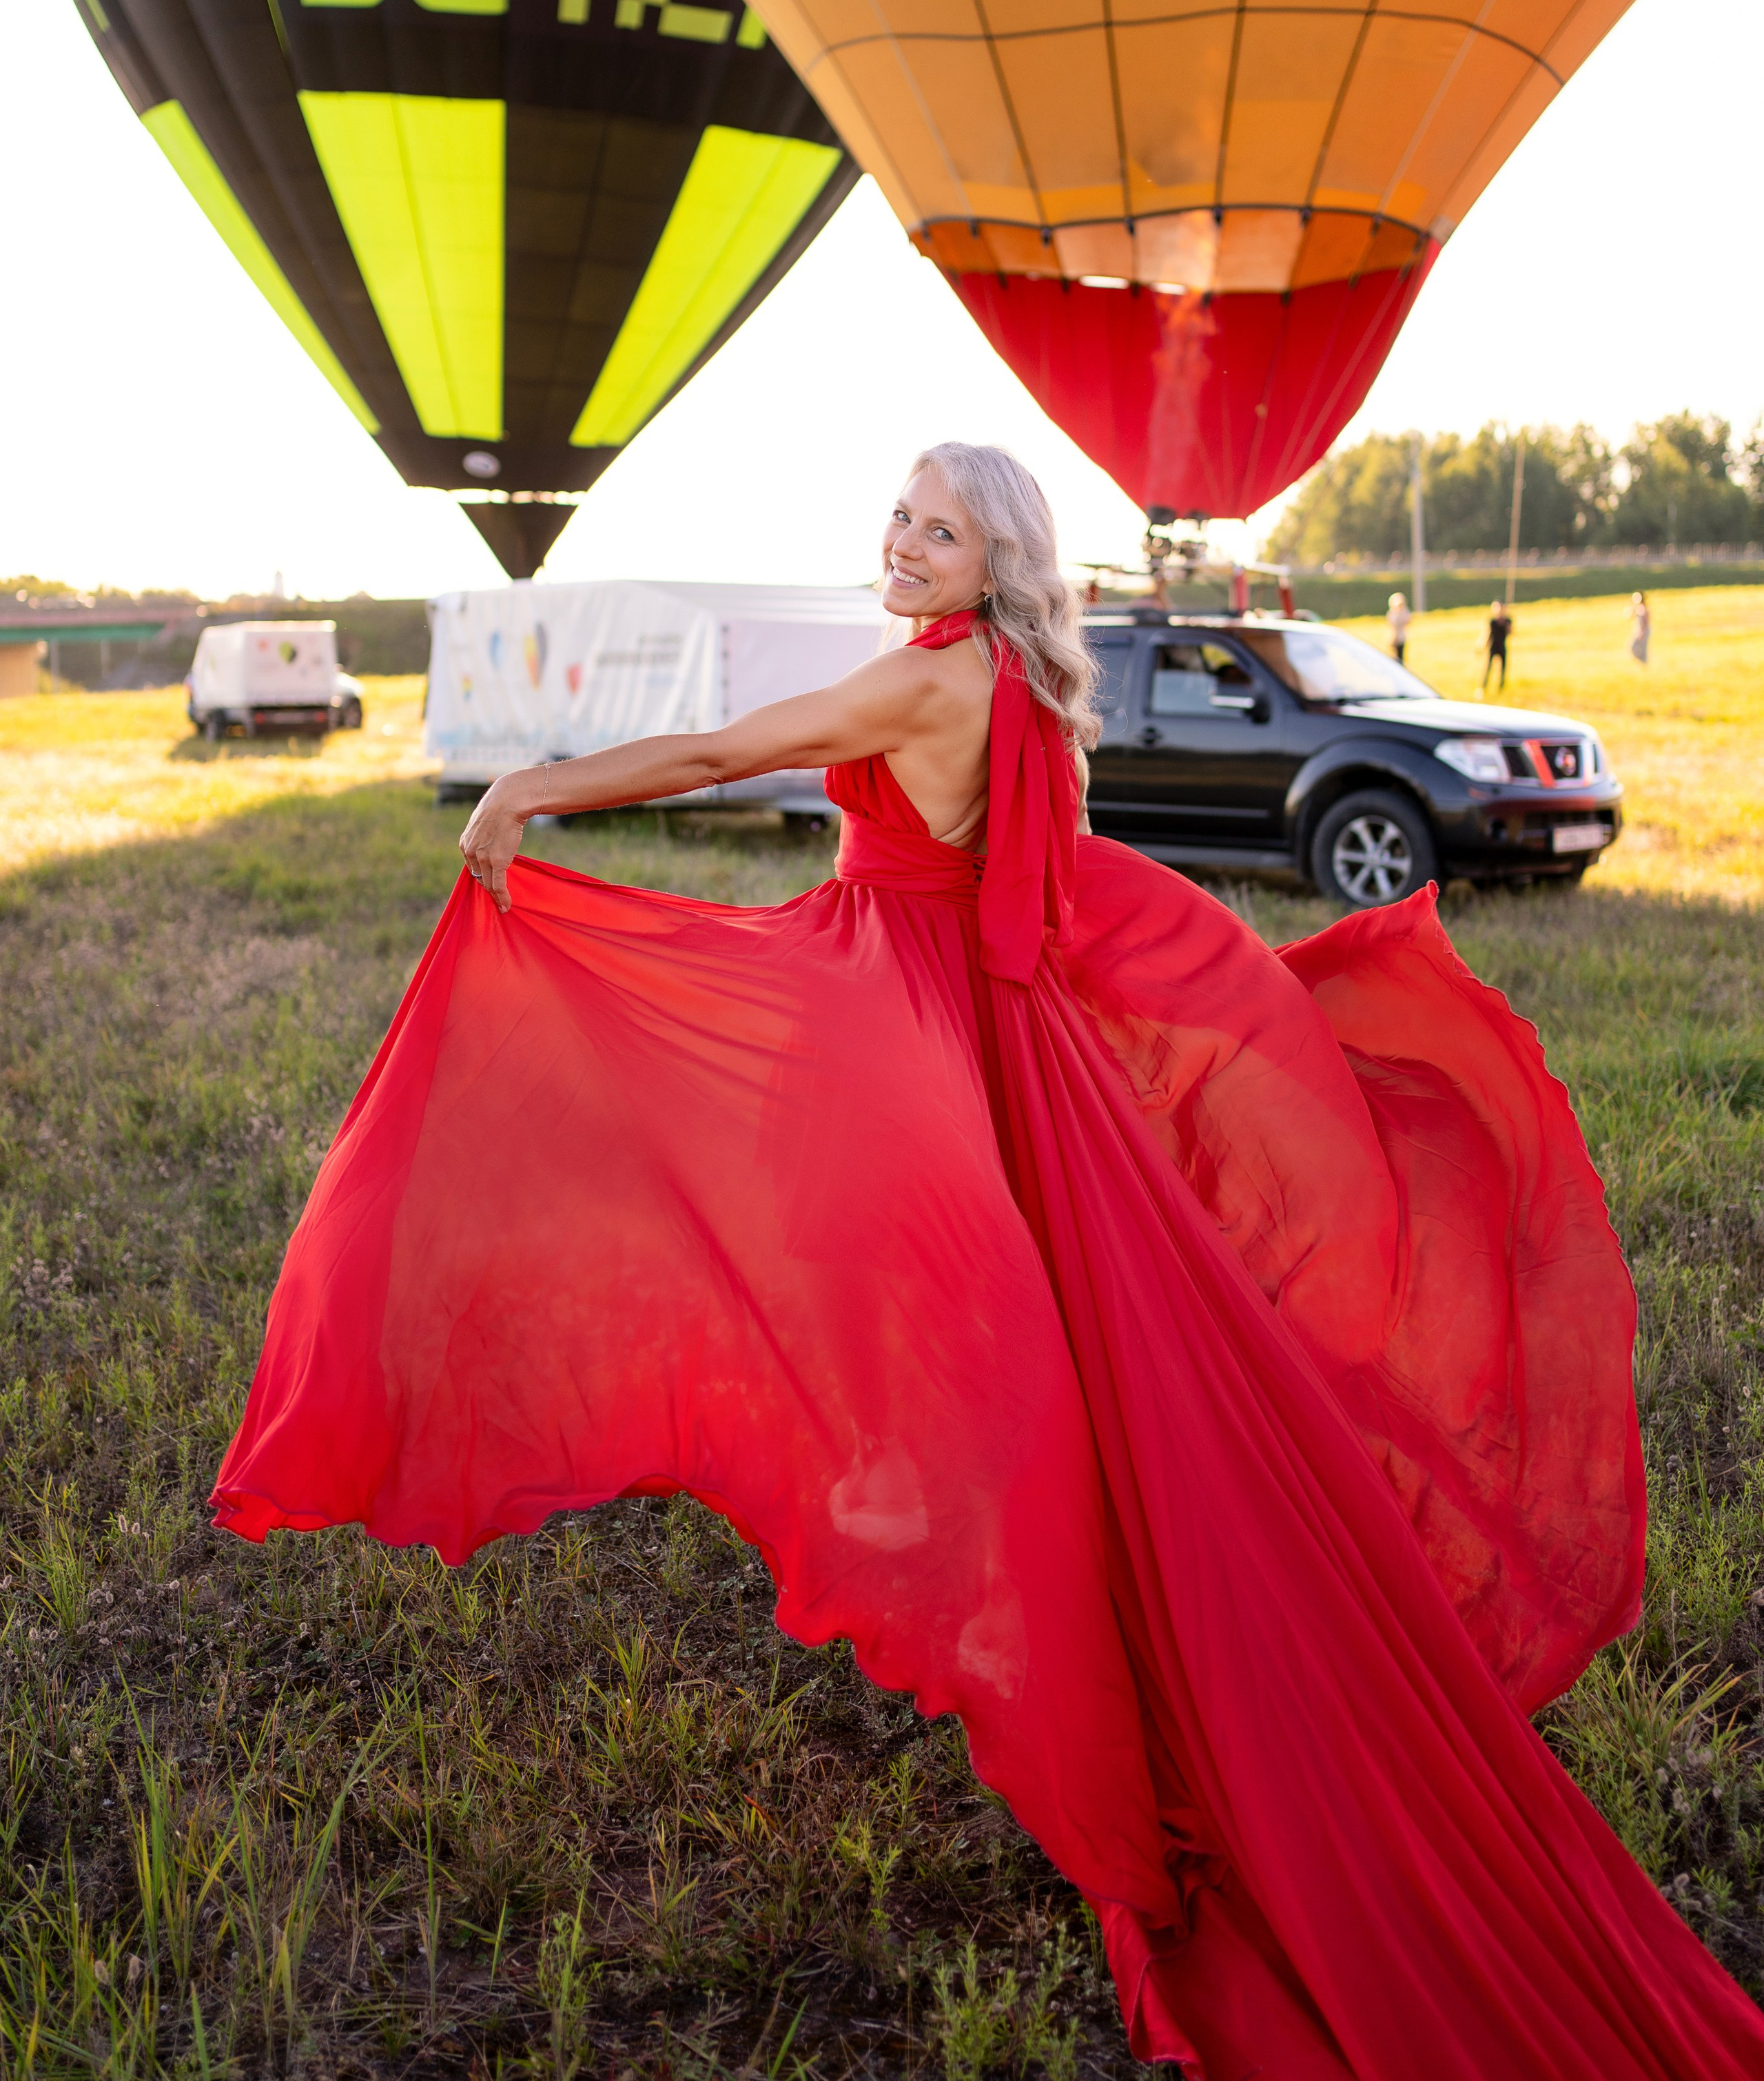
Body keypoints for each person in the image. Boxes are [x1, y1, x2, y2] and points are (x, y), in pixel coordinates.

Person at [211, 445, 1764, 2078]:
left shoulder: (925, 679)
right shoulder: (1014, 677)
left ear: (991, 563)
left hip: (904, 1009)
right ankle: (965, 1520)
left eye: (938, 531)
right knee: (1062, 1341)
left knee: (842, 1263)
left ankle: (940, 1528)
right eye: (899, 514)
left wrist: (529, 788)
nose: (902, 541)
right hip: (974, 1019)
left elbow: (731, 749)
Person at [1483, 597, 1513, 693]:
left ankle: (1501, 687)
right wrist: (1483, 646)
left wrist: (1507, 625)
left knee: (1503, 669)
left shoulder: (1507, 620)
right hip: (1493, 647)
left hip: (1502, 646)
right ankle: (1484, 687)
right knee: (1488, 668)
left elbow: (1510, 633)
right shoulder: (1493, 621)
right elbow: (1488, 634)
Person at [1386, 588, 1411, 664]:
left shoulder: (1405, 612)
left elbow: (1408, 621)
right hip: (1394, 637)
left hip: (1401, 637)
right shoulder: (1392, 613)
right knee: (1394, 655)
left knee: (1401, 655)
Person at [1630, 591, 1652, 664]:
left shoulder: (1644, 609)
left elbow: (1645, 623)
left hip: (1643, 630)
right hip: (1639, 630)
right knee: (1634, 647)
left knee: (1642, 647)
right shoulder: (1637, 608)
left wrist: (1642, 633)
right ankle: (1642, 663)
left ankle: (1644, 663)